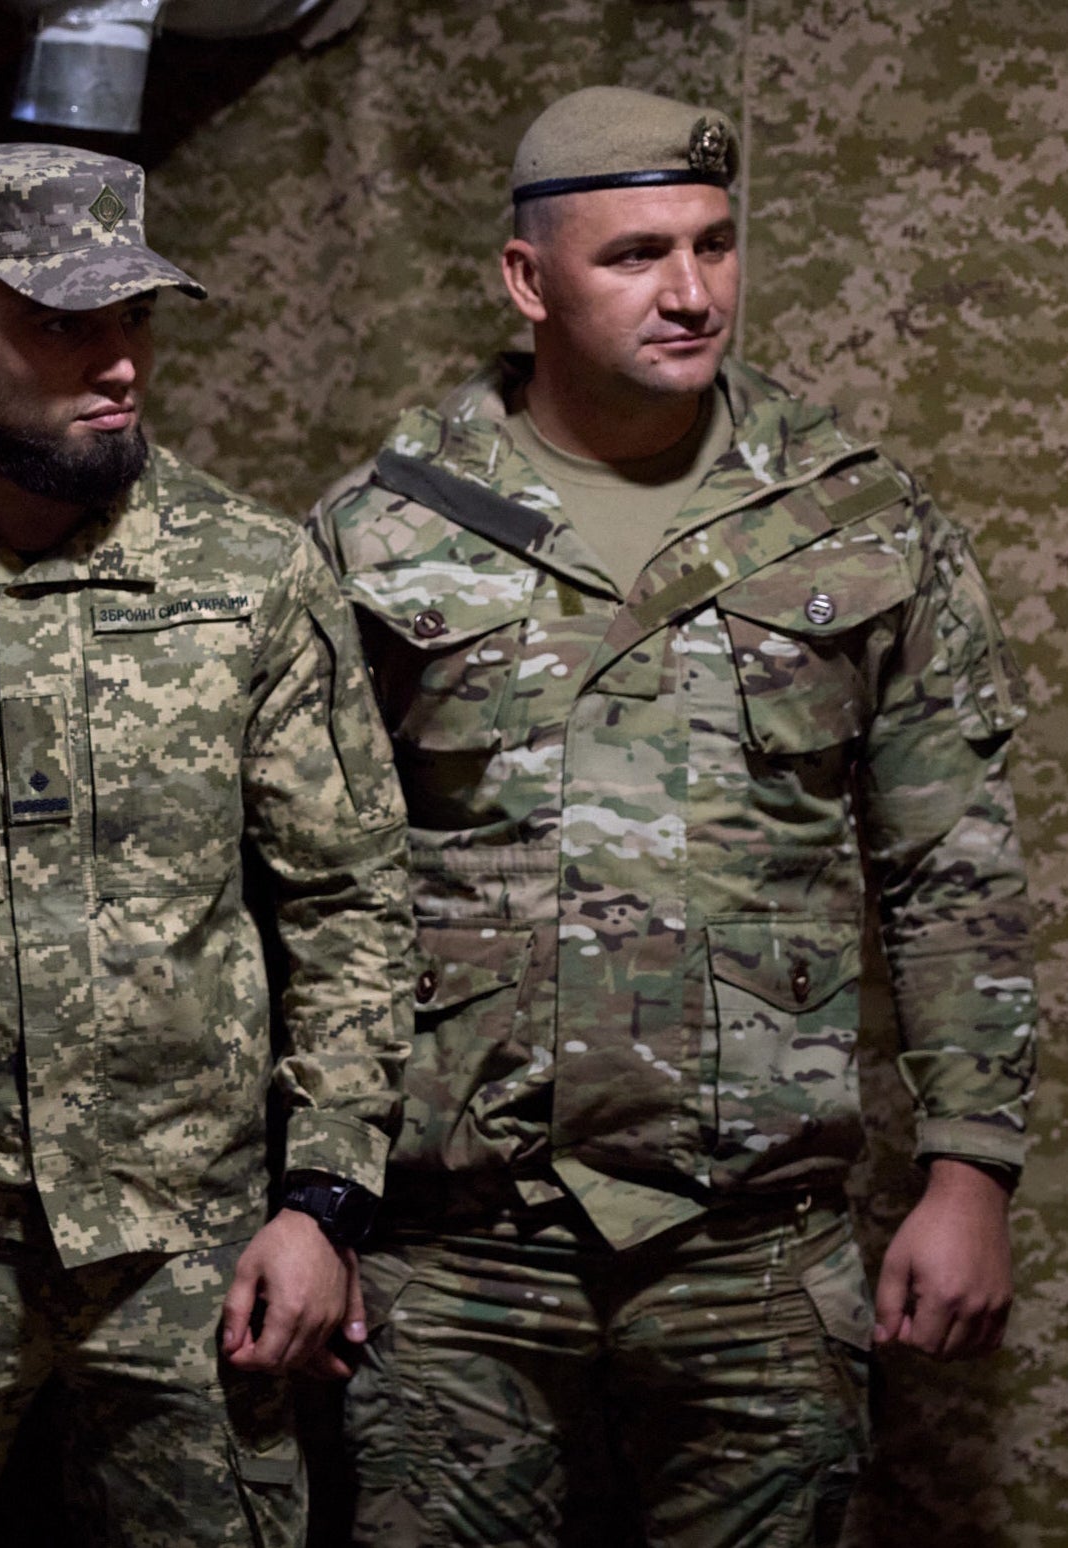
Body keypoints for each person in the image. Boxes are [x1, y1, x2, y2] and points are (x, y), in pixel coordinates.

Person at [306, 85, 1038, 1546]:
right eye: (634, 254)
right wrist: (309, 1200)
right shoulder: (389, 526)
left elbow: (949, 865)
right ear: (528, 282)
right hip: (460, 1248)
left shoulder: (855, 518)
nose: (690, 292)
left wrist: (969, 1169)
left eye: (713, 244)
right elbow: (314, 887)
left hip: (754, 1246)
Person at [0, 144, 415, 1547]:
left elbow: (345, 898)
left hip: (197, 1240)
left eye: (134, 321)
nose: (116, 363)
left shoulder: (248, 574)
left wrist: (325, 1203)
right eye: (63, 324)